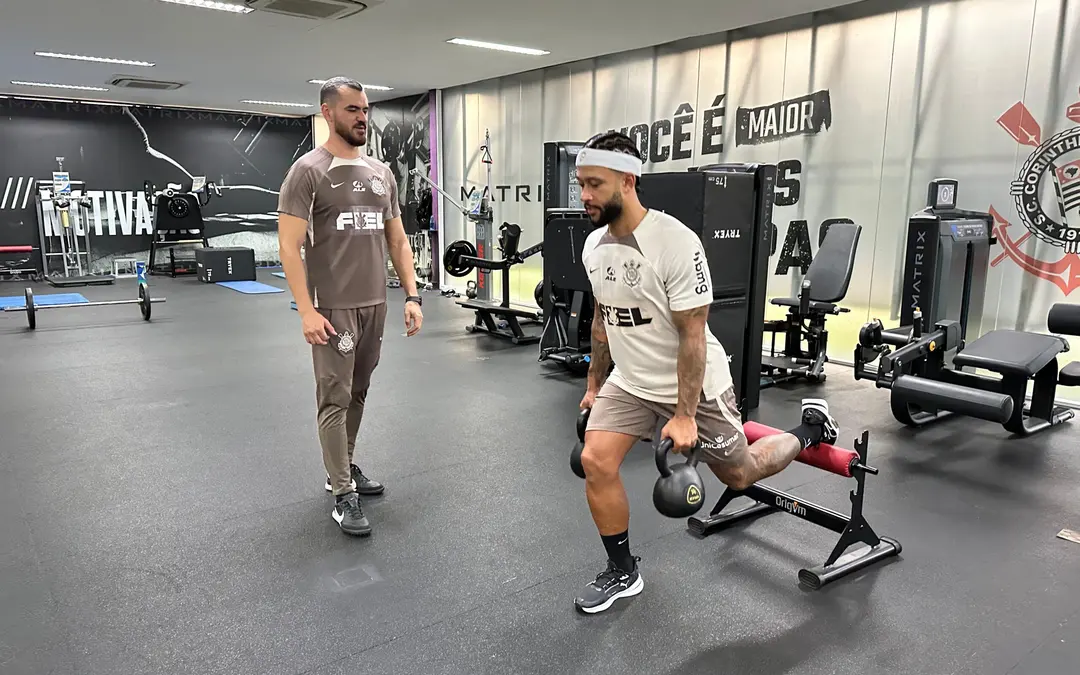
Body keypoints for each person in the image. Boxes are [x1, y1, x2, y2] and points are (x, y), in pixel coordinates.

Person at [573, 131, 840, 613]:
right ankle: (623, 571)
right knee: (596, 461)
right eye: (581, 184)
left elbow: (694, 335)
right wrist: (595, 383)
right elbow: (602, 318)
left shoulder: (675, 243)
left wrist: (684, 415)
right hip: (630, 382)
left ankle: (810, 429)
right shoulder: (594, 245)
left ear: (628, 180)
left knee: (740, 475)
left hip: (695, 386)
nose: (585, 196)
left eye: (594, 184)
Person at [277, 77, 424, 537]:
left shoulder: (382, 173)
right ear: (327, 113)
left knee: (358, 391)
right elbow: (289, 246)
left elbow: (396, 239)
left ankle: (343, 466)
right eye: (352, 110)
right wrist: (306, 310)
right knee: (334, 398)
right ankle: (343, 493)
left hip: (375, 303)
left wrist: (413, 294)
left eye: (365, 110)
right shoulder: (307, 171)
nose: (363, 117)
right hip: (333, 308)